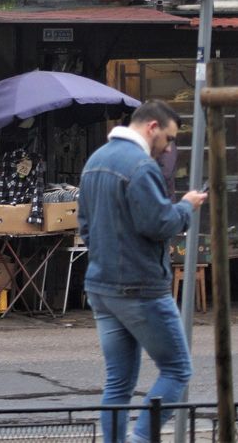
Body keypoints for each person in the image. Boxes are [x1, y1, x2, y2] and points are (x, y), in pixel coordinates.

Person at [78, 99, 207, 443]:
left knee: (118, 383)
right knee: (178, 370)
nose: (168, 148)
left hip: (101, 288)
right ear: (152, 127)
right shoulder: (141, 166)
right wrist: (186, 206)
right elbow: (159, 223)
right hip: (140, 288)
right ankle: (140, 440)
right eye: (168, 138)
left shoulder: (95, 161)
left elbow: (86, 228)